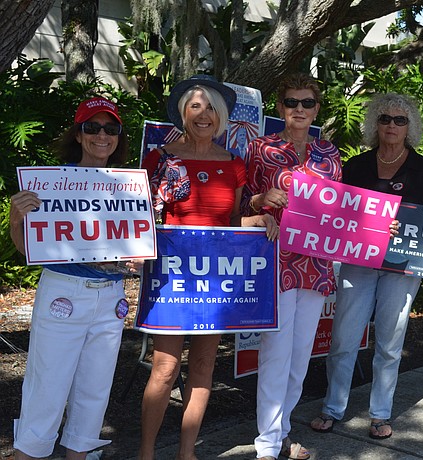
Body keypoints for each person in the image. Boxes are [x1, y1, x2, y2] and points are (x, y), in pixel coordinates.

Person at [138, 74, 277, 460]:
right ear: (183, 113)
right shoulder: (161, 158)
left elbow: (230, 224)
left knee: (202, 367)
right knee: (164, 369)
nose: (203, 114)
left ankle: (187, 452)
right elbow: (141, 216)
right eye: (195, 106)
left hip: (216, 281)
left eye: (211, 108)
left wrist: (255, 221)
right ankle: (146, 452)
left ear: (222, 117)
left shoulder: (233, 164)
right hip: (172, 281)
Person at [10, 97, 141, 460]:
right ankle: (26, 454)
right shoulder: (50, 185)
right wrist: (16, 217)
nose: (102, 135)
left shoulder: (128, 188)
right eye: (93, 127)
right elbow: (26, 249)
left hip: (111, 295)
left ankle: (79, 454)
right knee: (47, 385)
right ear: (79, 135)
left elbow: (135, 251)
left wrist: (137, 260)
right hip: (63, 292)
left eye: (110, 129)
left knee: (95, 388)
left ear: (118, 137)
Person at [310, 93, 423, 440]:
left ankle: (380, 413)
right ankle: (332, 407)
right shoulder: (356, 166)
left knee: (389, 342)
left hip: (402, 266)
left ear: (410, 126)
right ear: (375, 124)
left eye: (400, 120)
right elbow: (337, 213)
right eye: (385, 119)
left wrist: (408, 225)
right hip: (359, 262)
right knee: (343, 338)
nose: (392, 126)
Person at [242, 73, 342, 460]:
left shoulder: (330, 154)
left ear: (316, 108)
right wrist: (260, 199)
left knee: (300, 354)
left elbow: (341, 211)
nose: (299, 109)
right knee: (275, 351)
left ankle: (282, 431)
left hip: (316, 264)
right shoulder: (259, 148)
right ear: (280, 107)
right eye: (291, 102)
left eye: (307, 103)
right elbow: (241, 205)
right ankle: (267, 444)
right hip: (275, 259)